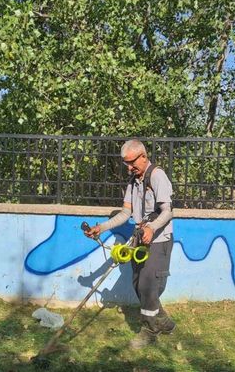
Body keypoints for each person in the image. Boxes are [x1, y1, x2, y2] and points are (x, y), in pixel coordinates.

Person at [83, 139, 175, 348]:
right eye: (126, 163)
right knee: (137, 284)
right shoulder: (133, 182)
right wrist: (102, 227)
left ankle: (150, 330)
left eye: (131, 162)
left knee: (148, 285)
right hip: (140, 238)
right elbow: (126, 212)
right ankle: (165, 322)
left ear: (143, 156)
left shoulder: (158, 176)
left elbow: (167, 211)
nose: (129, 167)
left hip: (159, 240)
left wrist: (152, 228)